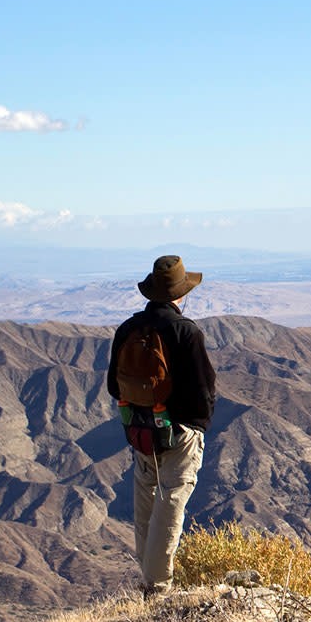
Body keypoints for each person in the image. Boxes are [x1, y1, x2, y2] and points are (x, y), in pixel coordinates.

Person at [107, 254, 216, 597]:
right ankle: (156, 586)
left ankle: (148, 575)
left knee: (146, 499)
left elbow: (114, 385)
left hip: (139, 430)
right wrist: (197, 424)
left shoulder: (128, 328)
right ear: (181, 294)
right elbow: (203, 390)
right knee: (171, 503)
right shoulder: (187, 332)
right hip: (179, 433)